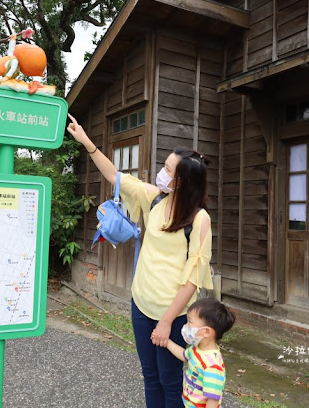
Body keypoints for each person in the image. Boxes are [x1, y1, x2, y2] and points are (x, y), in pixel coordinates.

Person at [67, 114, 214, 407]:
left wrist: (166, 321)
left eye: (167, 169)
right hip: (141, 305)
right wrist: (85, 141)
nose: (161, 172)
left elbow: (191, 281)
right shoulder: (155, 198)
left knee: (170, 381)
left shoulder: (199, 220)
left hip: (172, 316)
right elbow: (115, 176)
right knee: (149, 376)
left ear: (181, 181)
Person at [161, 298, 235, 408]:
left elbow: (213, 401)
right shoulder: (197, 348)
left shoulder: (213, 366)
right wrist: (166, 342)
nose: (186, 326)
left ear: (206, 331)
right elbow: (184, 355)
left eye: (190, 322)